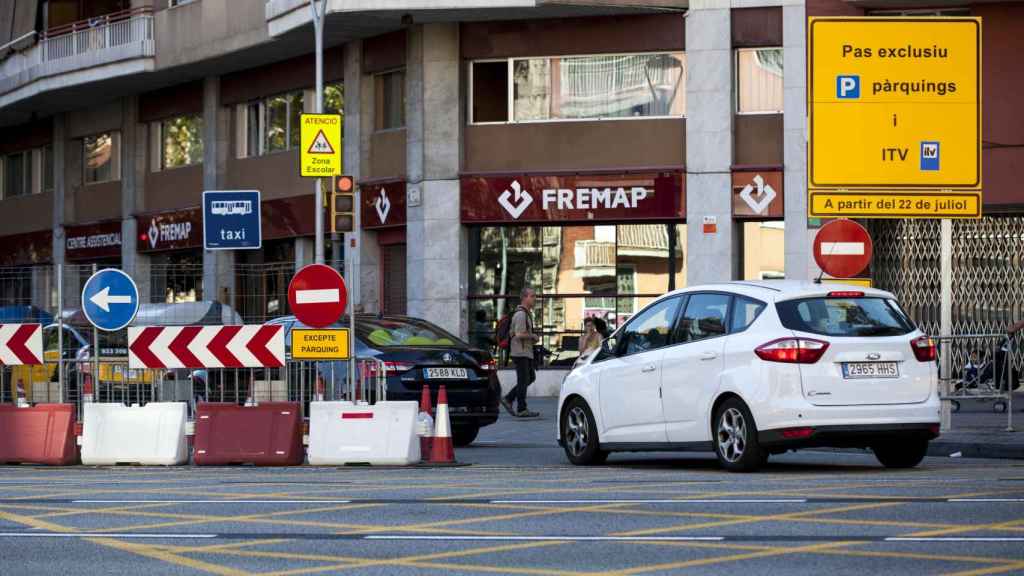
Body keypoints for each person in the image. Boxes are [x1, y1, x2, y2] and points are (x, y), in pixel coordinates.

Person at [501, 287, 539, 418]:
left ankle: (509, 399)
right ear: (524, 297)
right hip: (520, 352)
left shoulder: (526, 313)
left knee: (530, 378)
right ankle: (520, 408)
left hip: (525, 352)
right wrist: (533, 336)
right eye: (532, 296)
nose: (535, 298)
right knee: (524, 380)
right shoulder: (521, 314)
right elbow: (519, 334)